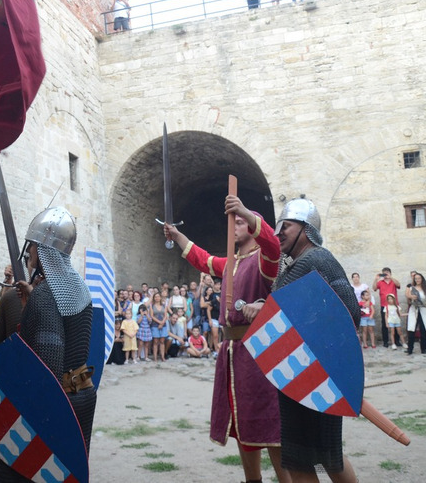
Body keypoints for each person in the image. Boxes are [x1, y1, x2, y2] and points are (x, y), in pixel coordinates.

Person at [164, 195, 288, 483]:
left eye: (240, 222)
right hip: (232, 353)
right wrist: (178, 235)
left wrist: (243, 209)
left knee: (269, 424)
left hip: (258, 352)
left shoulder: (264, 260)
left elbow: (273, 244)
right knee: (242, 422)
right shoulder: (231, 263)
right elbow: (203, 259)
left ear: (253, 227)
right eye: (233, 220)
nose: (234, 225)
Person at [0, 206, 97, 482]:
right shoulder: (79, 288)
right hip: (82, 393)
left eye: (31, 246)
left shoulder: (46, 295)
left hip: (57, 402)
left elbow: (47, 369)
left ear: (41, 250)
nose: (28, 253)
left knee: (22, 474)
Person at [273, 198, 360, 482]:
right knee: (306, 457)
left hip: (317, 373)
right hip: (300, 372)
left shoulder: (317, 259)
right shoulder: (297, 264)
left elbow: (349, 313)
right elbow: (284, 312)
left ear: (306, 227)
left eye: (286, 226)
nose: (279, 232)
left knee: (321, 457)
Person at [373, 268, 402, 347]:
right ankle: (385, 341)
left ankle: (397, 341)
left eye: (387, 273)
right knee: (384, 324)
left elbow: (398, 285)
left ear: (390, 273)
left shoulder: (393, 281)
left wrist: (391, 277)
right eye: (384, 273)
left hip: (394, 306)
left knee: (396, 322)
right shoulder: (380, 282)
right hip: (384, 306)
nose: (385, 275)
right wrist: (375, 279)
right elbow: (374, 288)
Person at [404, 272, 426, 355]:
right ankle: (410, 349)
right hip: (414, 309)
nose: (417, 280)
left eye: (419, 278)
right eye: (416, 278)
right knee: (411, 329)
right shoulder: (411, 288)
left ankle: (423, 348)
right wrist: (411, 297)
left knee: (423, 330)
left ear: (422, 279)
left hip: (423, 310)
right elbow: (408, 297)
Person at [148, 291, 169, 361]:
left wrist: (162, 322)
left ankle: (162, 356)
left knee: (162, 341)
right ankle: (155, 357)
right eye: (155, 297)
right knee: (155, 341)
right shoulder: (152, 306)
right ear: (154, 298)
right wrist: (159, 322)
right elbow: (152, 316)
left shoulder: (164, 306)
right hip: (155, 325)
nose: (157, 298)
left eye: (158, 296)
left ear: (160, 297)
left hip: (163, 325)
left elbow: (165, 315)